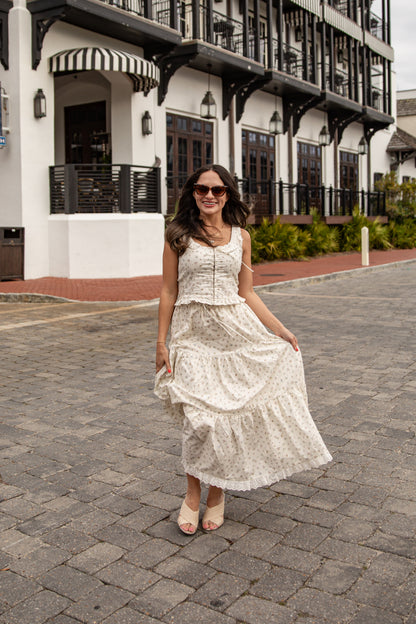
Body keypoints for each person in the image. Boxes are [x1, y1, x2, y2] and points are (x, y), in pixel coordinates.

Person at [154, 164, 332, 535]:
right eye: (201, 189)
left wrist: (280, 330)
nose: (209, 196)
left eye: (217, 191)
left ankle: (216, 496)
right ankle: (191, 495)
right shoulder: (177, 235)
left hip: (237, 334)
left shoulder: (242, 237)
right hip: (192, 336)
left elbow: (246, 292)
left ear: (227, 195)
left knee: (226, 419)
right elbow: (169, 291)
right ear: (191, 194)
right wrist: (161, 342)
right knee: (198, 421)